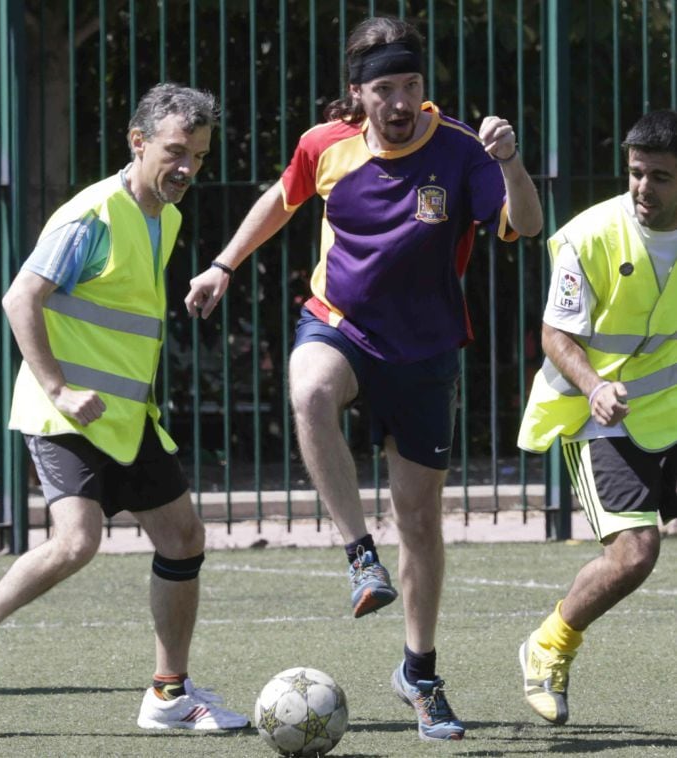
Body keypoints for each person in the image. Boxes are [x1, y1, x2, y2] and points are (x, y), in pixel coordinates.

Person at [185, 16, 542, 742]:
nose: (402, 100)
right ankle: (357, 556)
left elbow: (525, 226)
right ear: (359, 94)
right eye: (386, 88)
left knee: (419, 521)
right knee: (309, 387)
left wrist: (511, 164)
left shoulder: (464, 148)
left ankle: (420, 672)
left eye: (412, 85)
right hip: (341, 321)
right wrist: (223, 264)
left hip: (426, 349)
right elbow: (281, 201)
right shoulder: (327, 145)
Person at [0, 83, 249, 732]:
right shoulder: (91, 216)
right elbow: (20, 299)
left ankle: (168, 696)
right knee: (78, 541)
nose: (188, 167)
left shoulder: (167, 216)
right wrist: (58, 388)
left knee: (184, 537)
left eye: (199, 155)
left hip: (127, 417)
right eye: (175, 151)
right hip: (65, 412)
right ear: (138, 143)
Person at [517, 109, 677, 725]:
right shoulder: (588, 236)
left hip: (667, 407)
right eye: (637, 173)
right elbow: (555, 333)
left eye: (661, 177)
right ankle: (548, 647)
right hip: (598, 413)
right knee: (636, 553)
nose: (644, 188)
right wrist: (594, 386)